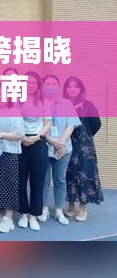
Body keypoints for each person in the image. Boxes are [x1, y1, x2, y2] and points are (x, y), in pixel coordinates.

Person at [39, 75, 81, 226]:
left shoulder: (66, 103)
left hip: (63, 148)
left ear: (58, 86)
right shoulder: (39, 103)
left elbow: (71, 125)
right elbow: (36, 126)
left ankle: (58, 210)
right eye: (47, 84)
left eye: (53, 84)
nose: (50, 86)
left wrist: (61, 143)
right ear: (42, 86)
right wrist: (51, 140)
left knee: (60, 180)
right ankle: (43, 208)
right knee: (44, 180)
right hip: (44, 146)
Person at [62, 76, 103, 221]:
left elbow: (96, 124)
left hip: (84, 148)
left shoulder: (88, 105)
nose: (72, 89)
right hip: (66, 144)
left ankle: (83, 208)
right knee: (69, 175)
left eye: (76, 87)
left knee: (85, 175)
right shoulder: (62, 105)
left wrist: (85, 137)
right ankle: (71, 206)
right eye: (69, 86)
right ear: (65, 89)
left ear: (81, 89)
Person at [0, 86, 25, 233]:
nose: (0, 96)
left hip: (9, 152)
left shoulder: (14, 112)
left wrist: (2, 135)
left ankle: (8, 218)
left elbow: (20, 134)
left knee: (9, 184)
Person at [17, 71, 52, 231]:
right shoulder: (16, 100)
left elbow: (47, 123)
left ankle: (34, 215)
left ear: (38, 85)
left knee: (38, 181)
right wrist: (22, 137)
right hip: (20, 142)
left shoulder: (43, 102)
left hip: (38, 142)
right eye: (27, 82)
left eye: (33, 83)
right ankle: (24, 214)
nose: (30, 85)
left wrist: (37, 137)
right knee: (20, 180)